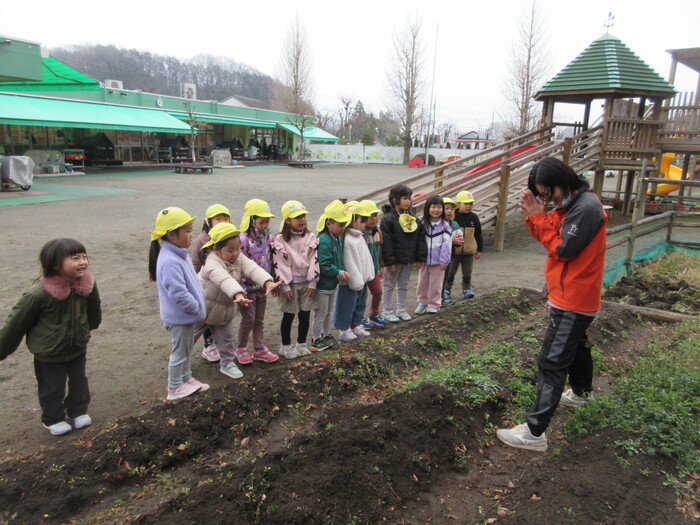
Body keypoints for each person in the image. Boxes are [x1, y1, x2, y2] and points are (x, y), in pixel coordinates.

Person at [496, 157, 608, 452]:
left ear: (562, 181)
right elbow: (549, 238)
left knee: (552, 361)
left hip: (574, 297)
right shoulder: (571, 204)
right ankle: (582, 393)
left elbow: (562, 249)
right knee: (577, 345)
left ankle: (534, 432)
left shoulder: (585, 208)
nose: (548, 199)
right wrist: (536, 216)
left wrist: (539, 217)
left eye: (548, 192)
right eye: (542, 194)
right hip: (570, 293)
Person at [0, 239, 101, 436]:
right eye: (75, 258)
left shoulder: (87, 285)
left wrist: (88, 327)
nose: (83, 262)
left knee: (79, 380)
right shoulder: (38, 294)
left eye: (84, 257)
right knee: (51, 386)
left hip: (77, 345)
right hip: (49, 350)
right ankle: (53, 418)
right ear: (55, 264)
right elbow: (15, 324)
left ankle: (79, 410)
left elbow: (94, 308)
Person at [196, 223, 281, 379]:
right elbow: (223, 279)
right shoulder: (212, 262)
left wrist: (267, 281)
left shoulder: (238, 257)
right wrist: (238, 294)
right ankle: (179, 368)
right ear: (216, 249)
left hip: (221, 309)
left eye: (237, 249)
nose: (235, 253)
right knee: (187, 338)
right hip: (201, 309)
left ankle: (227, 363)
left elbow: (252, 268)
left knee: (227, 338)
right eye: (230, 250)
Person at [148, 207, 209, 401]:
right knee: (179, 352)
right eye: (188, 231)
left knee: (186, 349)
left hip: (186, 316)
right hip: (180, 317)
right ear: (172, 235)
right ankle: (174, 387)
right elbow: (178, 293)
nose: (191, 235)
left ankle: (186, 378)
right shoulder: (170, 261)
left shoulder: (179, 254)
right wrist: (195, 308)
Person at [271, 200, 320, 359]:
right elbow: (279, 263)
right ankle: (285, 346)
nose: (302, 220)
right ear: (287, 220)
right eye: (297, 217)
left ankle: (301, 343)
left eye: (303, 216)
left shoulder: (310, 236)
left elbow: (314, 259)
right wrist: (284, 285)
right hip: (290, 284)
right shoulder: (280, 240)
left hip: (307, 283)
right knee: (289, 315)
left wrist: (313, 282)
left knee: (305, 314)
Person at [237, 198, 280, 364]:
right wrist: (240, 289)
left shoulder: (268, 238)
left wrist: (273, 279)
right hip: (247, 289)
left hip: (263, 286)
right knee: (248, 319)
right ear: (251, 220)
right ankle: (241, 348)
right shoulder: (243, 240)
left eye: (267, 222)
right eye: (261, 222)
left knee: (259, 320)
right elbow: (239, 265)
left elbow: (272, 259)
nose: (265, 225)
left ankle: (259, 349)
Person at [191, 203, 232, 363]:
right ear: (209, 221)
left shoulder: (228, 236)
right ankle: (208, 345)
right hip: (207, 284)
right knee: (207, 317)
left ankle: (218, 345)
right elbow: (196, 261)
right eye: (218, 219)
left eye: (225, 219)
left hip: (222, 285)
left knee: (219, 317)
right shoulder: (203, 239)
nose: (222, 222)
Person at [380, 184, 427, 322]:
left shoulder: (413, 219)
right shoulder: (388, 219)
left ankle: (401, 309)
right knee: (389, 285)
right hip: (394, 260)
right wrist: (390, 261)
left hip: (408, 260)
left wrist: (419, 258)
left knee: (403, 285)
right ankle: (387, 310)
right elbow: (387, 242)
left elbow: (420, 238)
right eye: (405, 198)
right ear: (395, 200)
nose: (408, 201)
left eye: (409, 198)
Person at [334, 201, 376, 341]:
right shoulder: (348, 240)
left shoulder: (359, 237)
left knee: (359, 304)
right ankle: (344, 329)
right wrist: (356, 280)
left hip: (361, 280)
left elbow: (366, 257)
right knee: (347, 305)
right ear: (351, 221)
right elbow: (349, 262)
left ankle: (356, 324)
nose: (364, 224)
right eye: (362, 221)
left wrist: (368, 274)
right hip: (350, 281)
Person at [312, 200, 350, 351]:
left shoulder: (337, 238)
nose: (343, 228)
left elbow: (339, 258)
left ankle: (326, 335)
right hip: (323, 284)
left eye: (344, 225)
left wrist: (342, 269)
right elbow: (323, 264)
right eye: (340, 225)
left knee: (328, 312)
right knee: (321, 313)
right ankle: (316, 339)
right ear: (329, 223)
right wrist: (338, 272)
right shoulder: (324, 240)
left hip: (332, 284)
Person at [415, 196, 453, 314]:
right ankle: (422, 302)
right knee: (422, 283)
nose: (436, 210)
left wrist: (444, 261)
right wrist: (418, 258)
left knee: (436, 284)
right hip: (424, 261)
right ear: (428, 208)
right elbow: (419, 242)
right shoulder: (422, 224)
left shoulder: (445, 226)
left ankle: (434, 303)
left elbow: (447, 245)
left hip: (438, 262)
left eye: (439, 207)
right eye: (433, 207)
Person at [445, 190, 482, 300]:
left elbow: (478, 234)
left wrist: (479, 249)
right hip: (454, 251)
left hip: (469, 250)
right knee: (450, 272)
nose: (468, 206)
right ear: (458, 204)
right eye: (466, 204)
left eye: (470, 204)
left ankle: (466, 289)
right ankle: (446, 290)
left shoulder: (474, 217)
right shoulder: (453, 217)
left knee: (467, 272)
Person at [360, 199, 388, 328]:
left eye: (375, 215)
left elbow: (380, 251)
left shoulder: (377, 232)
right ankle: (359, 317)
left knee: (378, 291)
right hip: (361, 270)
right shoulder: (360, 235)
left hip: (374, 269)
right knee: (361, 296)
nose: (374, 219)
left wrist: (381, 266)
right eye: (370, 216)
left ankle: (374, 314)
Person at [441, 197, 463, 306]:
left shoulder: (454, 224)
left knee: (446, 276)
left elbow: (459, 238)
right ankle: (434, 298)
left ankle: (442, 296)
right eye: (446, 208)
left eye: (452, 209)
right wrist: (452, 240)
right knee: (437, 278)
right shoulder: (436, 224)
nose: (449, 211)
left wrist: (459, 241)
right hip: (437, 256)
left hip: (449, 255)